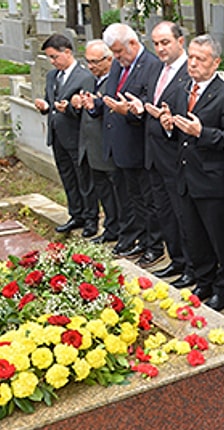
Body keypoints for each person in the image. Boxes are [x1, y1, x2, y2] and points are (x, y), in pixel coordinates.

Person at [159, 34, 224, 311]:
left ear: (216, 62)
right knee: (194, 234)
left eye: (200, 59)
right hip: (185, 176)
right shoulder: (183, 88)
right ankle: (204, 280)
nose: (192, 64)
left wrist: (202, 132)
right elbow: (178, 133)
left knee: (220, 237)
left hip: (212, 179)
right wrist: (168, 124)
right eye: (191, 57)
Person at [127, 21, 194, 276]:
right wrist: (140, 107)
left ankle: (190, 265)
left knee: (182, 215)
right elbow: (151, 101)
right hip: (153, 154)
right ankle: (176, 260)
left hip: (175, 156)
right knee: (164, 213)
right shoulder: (157, 70)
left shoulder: (189, 72)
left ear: (180, 41)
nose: (160, 48)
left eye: (165, 42)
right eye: (155, 44)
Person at [97, 23, 162, 259]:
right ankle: (141, 239)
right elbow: (112, 97)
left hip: (140, 145)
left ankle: (154, 246)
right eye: (113, 52)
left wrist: (132, 111)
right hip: (120, 144)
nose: (115, 57)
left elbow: (149, 103)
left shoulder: (151, 66)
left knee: (148, 199)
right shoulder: (118, 65)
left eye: (119, 51)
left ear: (133, 44)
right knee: (132, 198)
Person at [35, 33, 98, 238]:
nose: (52, 62)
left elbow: (87, 108)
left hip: (77, 136)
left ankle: (91, 218)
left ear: (67, 52)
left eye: (54, 57)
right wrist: (45, 107)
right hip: (57, 135)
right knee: (67, 177)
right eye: (50, 58)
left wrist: (70, 108)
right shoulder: (52, 76)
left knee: (83, 179)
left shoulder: (84, 76)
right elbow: (50, 100)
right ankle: (76, 214)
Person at [72, 40, 119, 245]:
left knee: (117, 192)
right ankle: (110, 226)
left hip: (108, 147)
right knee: (103, 191)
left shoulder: (115, 81)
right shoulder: (90, 81)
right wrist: (76, 103)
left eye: (95, 62)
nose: (91, 66)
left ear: (109, 59)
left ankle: (121, 229)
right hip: (91, 146)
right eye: (88, 62)